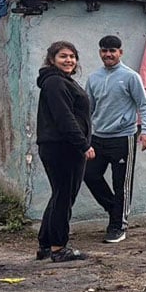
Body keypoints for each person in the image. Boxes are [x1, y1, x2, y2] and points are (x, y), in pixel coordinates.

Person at [83, 35, 146, 244]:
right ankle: (115, 209)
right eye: (104, 50)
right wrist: (84, 135)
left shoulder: (130, 77)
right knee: (89, 175)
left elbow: (144, 105)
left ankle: (118, 226)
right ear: (100, 53)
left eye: (112, 50)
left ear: (120, 52)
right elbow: (89, 110)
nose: (108, 54)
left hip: (123, 138)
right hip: (98, 137)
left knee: (121, 183)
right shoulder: (93, 78)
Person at [35, 41, 95, 263]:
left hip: (59, 146)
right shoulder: (55, 83)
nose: (69, 60)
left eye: (72, 56)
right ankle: (59, 247)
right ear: (52, 59)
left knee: (60, 194)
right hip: (63, 148)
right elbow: (65, 118)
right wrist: (83, 144)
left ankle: (46, 245)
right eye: (63, 56)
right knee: (64, 197)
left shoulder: (61, 81)